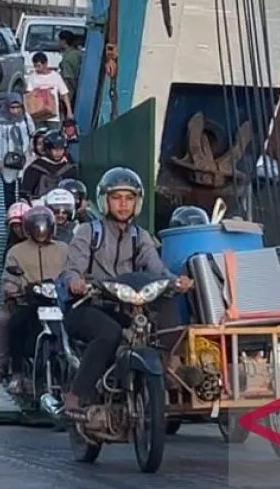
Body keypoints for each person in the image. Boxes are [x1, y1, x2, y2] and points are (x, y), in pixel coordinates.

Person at [59, 167, 191, 419]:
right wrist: (75, 281)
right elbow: (73, 268)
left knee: (165, 310)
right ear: (104, 201)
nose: (123, 204)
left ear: (137, 203)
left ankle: (169, 367)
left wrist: (176, 282)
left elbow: (157, 268)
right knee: (109, 333)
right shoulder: (88, 232)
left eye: (129, 198)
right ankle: (77, 394)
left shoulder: (140, 236)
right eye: (116, 197)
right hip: (87, 304)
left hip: (126, 304)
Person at [0, 206, 68, 387]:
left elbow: (72, 271)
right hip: (28, 302)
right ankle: (11, 369)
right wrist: (13, 290)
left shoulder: (64, 249)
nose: (41, 232)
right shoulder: (16, 252)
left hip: (59, 302)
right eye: (36, 228)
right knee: (10, 323)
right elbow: (8, 278)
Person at [0, 92, 34, 210]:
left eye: (18, 107)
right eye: (12, 108)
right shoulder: (0, 120)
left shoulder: (25, 118)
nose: (15, 111)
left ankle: (23, 211)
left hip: (24, 157)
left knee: (23, 188)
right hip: (7, 159)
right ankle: (10, 211)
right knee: (9, 188)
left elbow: (32, 132)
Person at [19, 130, 78, 201]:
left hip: (65, 204)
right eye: (55, 149)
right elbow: (25, 192)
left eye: (61, 149)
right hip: (40, 205)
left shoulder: (69, 168)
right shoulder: (35, 168)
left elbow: (76, 189)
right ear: (47, 149)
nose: (58, 152)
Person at [24, 51, 70, 126]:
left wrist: (69, 112)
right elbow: (28, 94)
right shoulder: (32, 77)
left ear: (45, 64)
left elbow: (64, 94)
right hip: (38, 115)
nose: (37, 69)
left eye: (38, 66)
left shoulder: (56, 76)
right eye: (35, 66)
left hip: (53, 117)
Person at [57, 30, 83, 101]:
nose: (58, 43)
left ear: (64, 41)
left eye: (59, 41)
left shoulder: (67, 58)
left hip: (70, 95)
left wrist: (78, 92)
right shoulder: (78, 53)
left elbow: (69, 78)